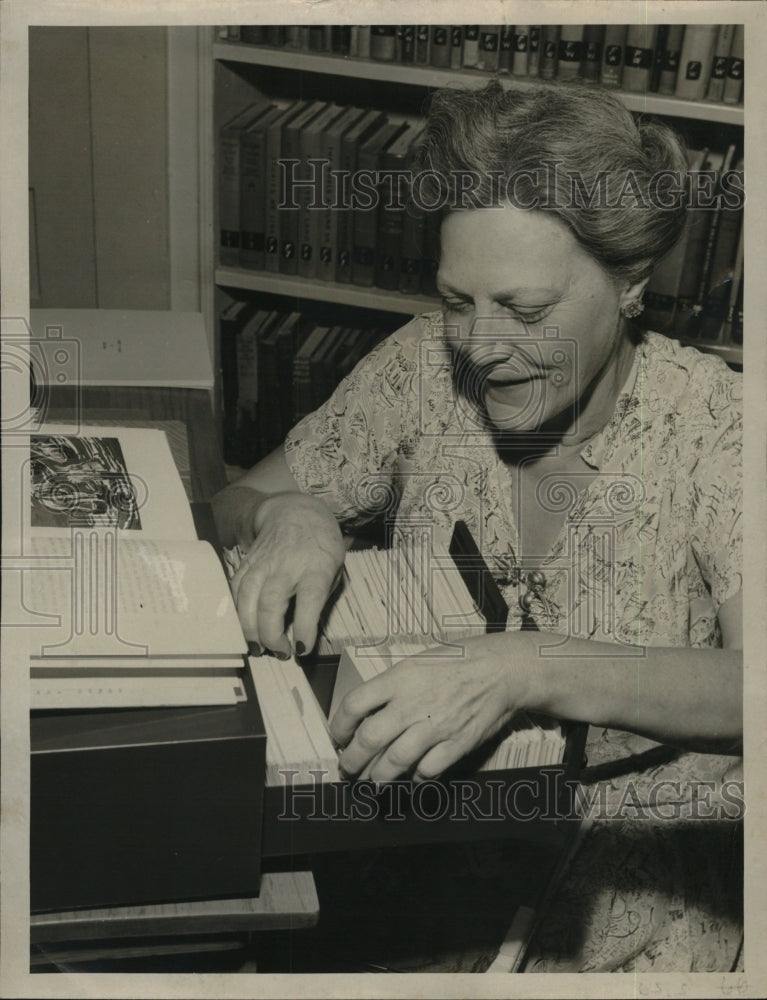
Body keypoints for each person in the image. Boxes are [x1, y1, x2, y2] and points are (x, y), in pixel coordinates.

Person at [212, 81, 743, 972]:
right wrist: (290, 512)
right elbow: (224, 510)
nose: (479, 346)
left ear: (631, 288)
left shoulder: (722, 431)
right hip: (405, 854)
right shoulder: (420, 367)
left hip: (628, 893)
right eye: (458, 300)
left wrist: (527, 665)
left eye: (527, 313)